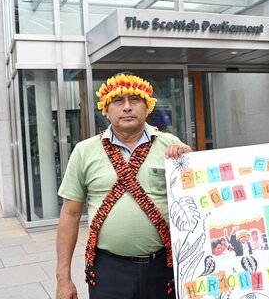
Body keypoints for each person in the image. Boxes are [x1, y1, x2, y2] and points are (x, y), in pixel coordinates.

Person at [56, 73, 192, 299]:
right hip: (108, 270)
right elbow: (70, 214)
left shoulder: (172, 146)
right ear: (106, 109)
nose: (127, 107)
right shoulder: (84, 151)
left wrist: (190, 163)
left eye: (135, 100)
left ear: (147, 107)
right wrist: (63, 278)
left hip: (165, 268)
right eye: (118, 101)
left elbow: (195, 203)